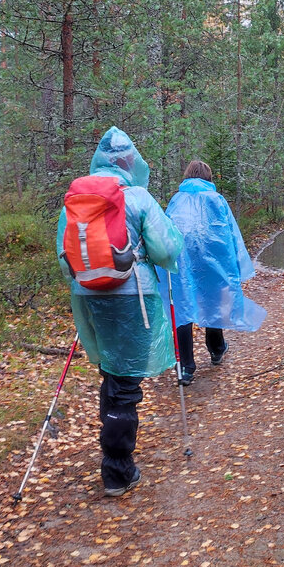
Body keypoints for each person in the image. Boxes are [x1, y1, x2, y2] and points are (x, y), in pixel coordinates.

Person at [56, 127, 182, 496]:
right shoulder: (139, 197)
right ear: (130, 162)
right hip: (133, 298)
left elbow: (65, 263)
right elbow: (165, 249)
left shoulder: (75, 201)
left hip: (89, 297)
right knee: (125, 384)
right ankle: (117, 467)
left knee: (112, 374)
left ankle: (114, 451)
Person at [158, 160, 266, 384]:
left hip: (182, 263)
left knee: (182, 308)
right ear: (208, 178)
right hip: (213, 262)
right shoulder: (216, 199)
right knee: (214, 302)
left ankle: (186, 367)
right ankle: (216, 349)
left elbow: (166, 232)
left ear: (187, 176)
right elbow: (232, 234)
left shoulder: (177, 200)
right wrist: (239, 264)